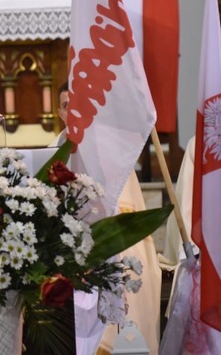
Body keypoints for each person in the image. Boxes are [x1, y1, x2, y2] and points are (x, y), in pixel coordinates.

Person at [54, 83, 161, 354]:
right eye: (67, 106)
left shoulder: (111, 154)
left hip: (109, 249)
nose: (73, 112)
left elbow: (127, 209)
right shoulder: (52, 152)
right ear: (59, 112)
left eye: (78, 105)